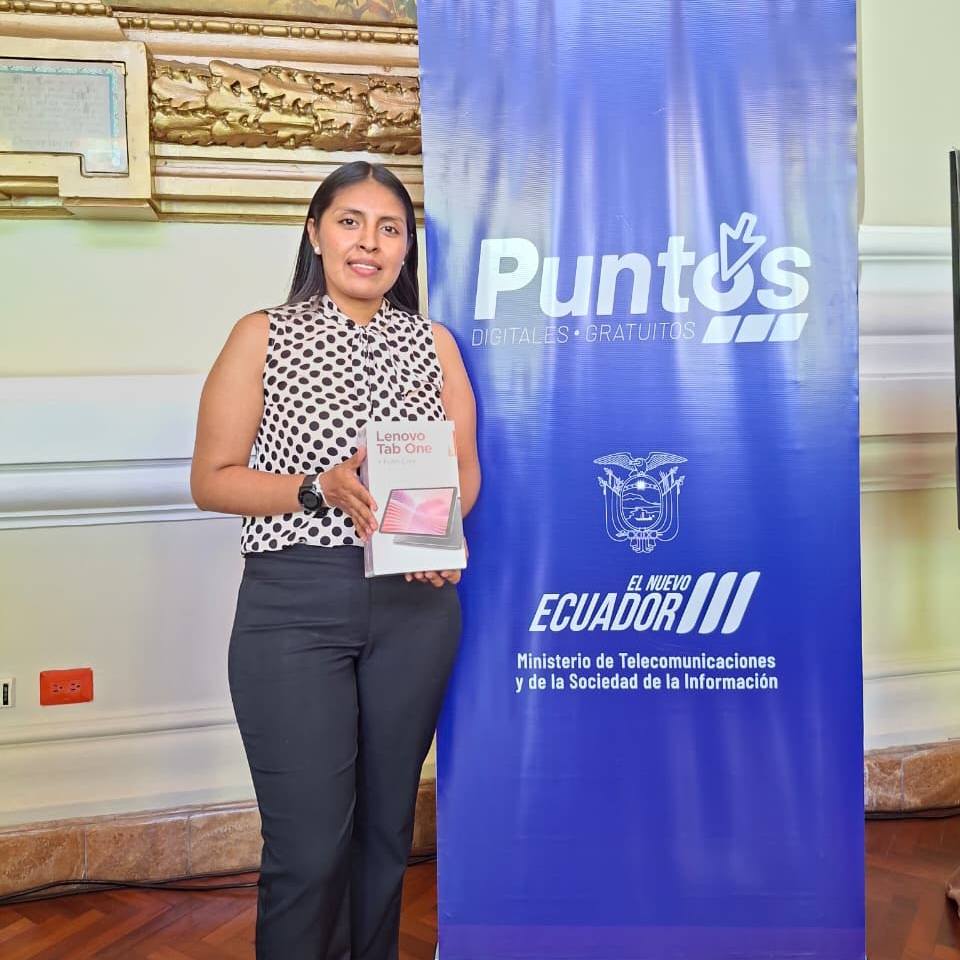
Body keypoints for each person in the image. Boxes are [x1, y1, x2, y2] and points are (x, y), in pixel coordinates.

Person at [190, 160, 481, 960]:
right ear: (316, 233)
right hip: (294, 606)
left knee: (385, 835)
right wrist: (317, 489)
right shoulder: (263, 334)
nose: (369, 243)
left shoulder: (434, 344)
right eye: (350, 222)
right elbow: (212, 479)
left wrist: (433, 532)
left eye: (390, 229)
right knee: (310, 847)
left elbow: (465, 470)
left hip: (415, 605)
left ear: (406, 250)